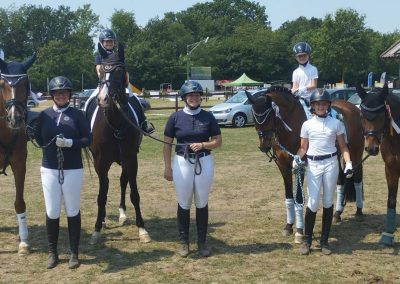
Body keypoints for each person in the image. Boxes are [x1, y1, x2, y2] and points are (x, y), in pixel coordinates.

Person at [35, 76, 91, 269]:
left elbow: (88, 139)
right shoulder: (44, 115)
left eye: (64, 93)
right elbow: (36, 136)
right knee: (51, 211)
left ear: (69, 95)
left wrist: (70, 143)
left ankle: (74, 252)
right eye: (57, 93)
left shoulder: (78, 115)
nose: (61, 95)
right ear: (52, 95)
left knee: (72, 209)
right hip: (49, 168)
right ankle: (53, 252)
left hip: (73, 169)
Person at [163, 81, 222, 257]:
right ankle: (184, 242)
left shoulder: (208, 117)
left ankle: (202, 242)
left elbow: (218, 141)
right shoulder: (175, 118)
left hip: (204, 162)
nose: (194, 98)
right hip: (182, 162)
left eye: (197, 95)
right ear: (184, 98)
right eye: (191, 95)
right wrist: (167, 167)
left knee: (202, 202)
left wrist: (204, 144)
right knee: (184, 202)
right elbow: (166, 145)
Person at [292, 90, 353, 256]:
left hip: (331, 163)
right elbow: (303, 147)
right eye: (318, 104)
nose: (321, 107)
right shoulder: (307, 125)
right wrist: (297, 158)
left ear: (328, 106)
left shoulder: (336, 123)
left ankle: (324, 240)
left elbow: (343, 147)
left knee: (327, 201)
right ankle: (307, 240)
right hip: (313, 164)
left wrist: (348, 162)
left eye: (324, 104)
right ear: (313, 106)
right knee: (312, 202)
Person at [91, 28, 154, 134]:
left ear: (114, 43)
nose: (109, 43)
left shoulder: (118, 55)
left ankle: (143, 123)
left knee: (135, 99)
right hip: (104, 83)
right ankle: (87, 127)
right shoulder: (99, 56)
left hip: (119, 84)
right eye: (107, 41)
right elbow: (98, 69)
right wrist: (103, 79)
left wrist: (126, 81)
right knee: (89, 100)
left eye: (111, 41)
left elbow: (124, 69)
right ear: (102, 42)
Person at [291, 42, 318, 119]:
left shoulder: (313, 69)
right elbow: (294, 87)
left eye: (304, 55)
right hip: (300, 98)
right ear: (296, 58)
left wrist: (303, 88)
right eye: (299, 56)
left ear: (308, 55)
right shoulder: (295, 72)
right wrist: (291, 92)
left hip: (312, 97)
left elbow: (314, 85)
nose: (302, 58)